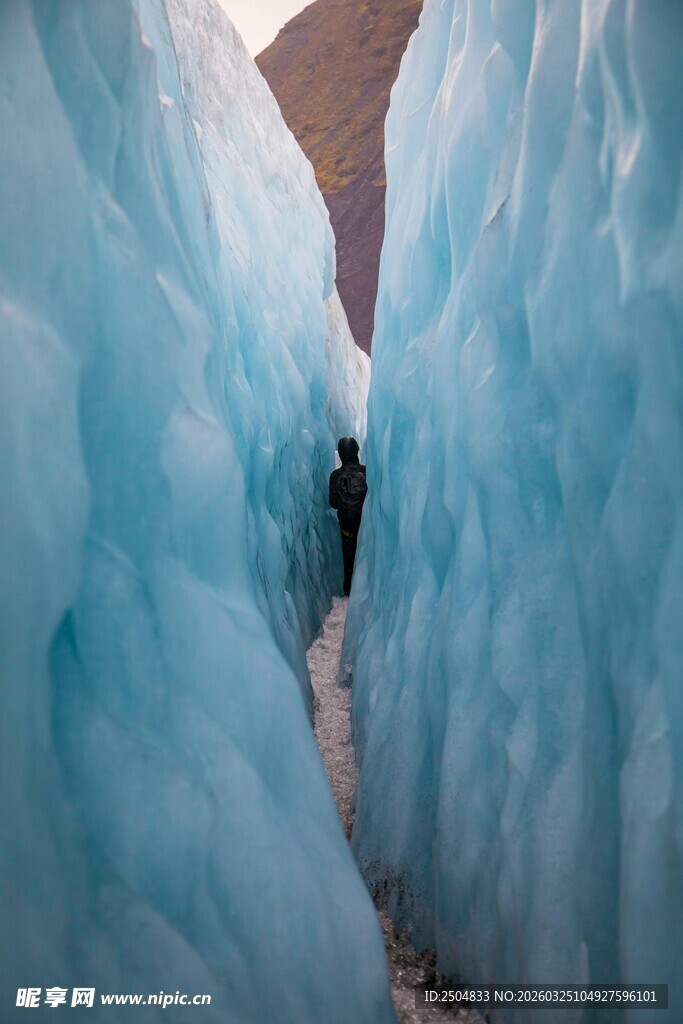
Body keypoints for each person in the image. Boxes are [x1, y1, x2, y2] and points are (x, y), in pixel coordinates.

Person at [329, 437, 368, 596]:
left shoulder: (335, 475)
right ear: (356, 451)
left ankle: (348, 593)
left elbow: (333, 503)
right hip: (364, 525)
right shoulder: (365, 471)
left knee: (349, 561)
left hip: (346, 528)